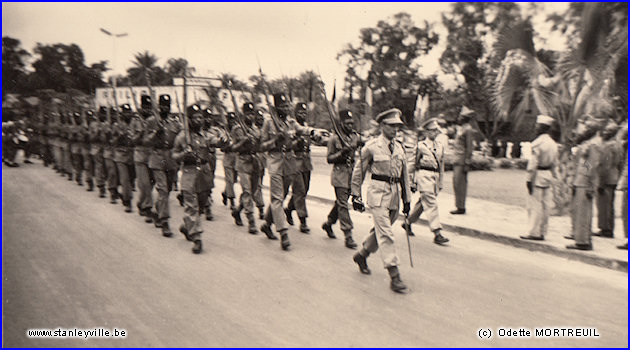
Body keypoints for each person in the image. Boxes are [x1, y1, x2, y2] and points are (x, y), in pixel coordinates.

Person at [350, 108, 411, 293]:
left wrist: (407, 198)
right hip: (377, 195)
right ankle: (394, 275)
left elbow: (404, 176)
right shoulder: (371, 146)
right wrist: (356, 195)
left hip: (393, 196)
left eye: (397, 127)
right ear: (382, 125)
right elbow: (358, 171)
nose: (395, 130)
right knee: (386, 234)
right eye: (392, 126)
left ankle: (362, 254)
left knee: (382, 230)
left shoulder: (399, 147)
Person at [259, 93, 326, 250]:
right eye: (283, 106)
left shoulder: (290, 121)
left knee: (280, 197)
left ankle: (267, 224)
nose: (287, 108)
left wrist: (313, 132)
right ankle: (283, 233)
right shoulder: (268, 122)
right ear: (276, 108)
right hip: (275, 161)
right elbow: (261, 146)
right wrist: (275, 140)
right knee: (276, 198)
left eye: (288, 105)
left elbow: (301, 129)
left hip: (289, 162)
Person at [173, 107, 214, 254]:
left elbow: (215, 142)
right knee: (191, 206)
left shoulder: (205, 135)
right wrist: (184, 153)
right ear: (189, 120)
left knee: (202, 204)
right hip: (189, 172)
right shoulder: (182, 137)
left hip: (204, 173)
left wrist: (222, 140)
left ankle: (187, 225)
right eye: (195, 118)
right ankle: (197, 238)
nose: (199, 120)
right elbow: (174, 155)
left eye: (200, 118)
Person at [403, 117, 449, 245]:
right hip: (423, 176)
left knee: (423, 204)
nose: (435, 133)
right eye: (433, 131)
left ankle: (407, 223)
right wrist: (409, 180)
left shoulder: (440, 146)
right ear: (427, 132)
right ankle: (437, 232)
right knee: (431, 204)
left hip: (434, 178)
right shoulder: (421, 146)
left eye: (436, 131)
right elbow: (412, 163)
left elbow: (441, 166)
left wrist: (440, 182)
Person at [321, 109, 362, 249]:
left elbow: (364, 144)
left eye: (352, 123)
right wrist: (341, 154)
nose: (350, 126)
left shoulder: (355, 137)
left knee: (340, 203)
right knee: (343, 204)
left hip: (352, 174)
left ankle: (329, 223)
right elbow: (329, 158)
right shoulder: (334, 139)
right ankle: (348, 234)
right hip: (339, 175)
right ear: (342, 123)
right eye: (347, 123)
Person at [146, 94, 182, 237]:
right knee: (162, 189)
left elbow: (181, 138)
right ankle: (164, 221)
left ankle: (158, 211)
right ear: (158, 107)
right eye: (162, 106)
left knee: (166, 191)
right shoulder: (151, 121)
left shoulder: (175, 123)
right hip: (157, 157)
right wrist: (156, 133)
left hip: (171, 159)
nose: (165, 108)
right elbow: (146, 141)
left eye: (167, 106)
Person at [566, 115, 602, 250]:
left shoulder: (593, 145)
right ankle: (581, 239)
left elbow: (591, 165)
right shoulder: (587, 143)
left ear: (593, 129)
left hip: (585, 182)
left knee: (583, 213)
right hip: (580, 180)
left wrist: (590, 185)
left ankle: (583, 242)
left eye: (587, 127)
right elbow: (585, 163)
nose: (584, 130)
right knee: (578, 211)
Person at [520, 115, 559, 241]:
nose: (535, 128)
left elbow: (533, 164)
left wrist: (529, 179)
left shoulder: (538, 143)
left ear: (543, 128)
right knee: (545, 206)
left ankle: (533, 232)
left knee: (535, 205)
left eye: (538, 126)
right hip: (547, 175)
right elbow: (555, 163)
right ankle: (542, 231)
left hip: (538, 176)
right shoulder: (553, 143)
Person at [231, 102, 263, 234]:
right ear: (243, 114)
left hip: (255, 162)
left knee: (253, 191)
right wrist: (244, 141)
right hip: (243, 162)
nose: (250, 117)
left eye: (252, 114)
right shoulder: (237, 129)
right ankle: (251, 221)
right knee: (247, 191)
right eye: (248, 114)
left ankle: (238, 210)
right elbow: (233, 147)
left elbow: (260, 145)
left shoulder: (256, 129)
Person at [284, 102, 314, 233]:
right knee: (300, 191)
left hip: (306, 163)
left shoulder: (306, 127)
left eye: (304, 113)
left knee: (304, 190)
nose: (303, 115)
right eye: (300, 113)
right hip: (294, 162)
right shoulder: (291, 125)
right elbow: (288, 145)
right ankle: (303, 221)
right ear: (295, 114)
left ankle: (289, 209)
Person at [594, 120, 623, 238]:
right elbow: (620, 164)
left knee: (604, 205)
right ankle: (608, 228)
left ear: (613, 133)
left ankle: (605, 229)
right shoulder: (618, 144)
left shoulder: (608, 146)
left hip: (605, 179)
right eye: (605, 130)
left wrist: (601, 182)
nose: (605, 133)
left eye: (608, 131)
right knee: (609, 205)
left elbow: (604, 166)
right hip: (614, 177)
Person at [132, 96, 155, 223]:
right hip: (140, 156)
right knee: (145, 184)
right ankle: (147, 208)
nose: (147, 110)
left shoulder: (153, 120)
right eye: (145, 107)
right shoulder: (136, 121)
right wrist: (140, 133)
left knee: (150, 184)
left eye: (149, 107)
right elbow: (132, 140)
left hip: (152, 156)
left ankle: (141, 202)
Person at [450, 106, 475, 215]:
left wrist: (467, 162)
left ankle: (461, 207)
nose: (459, 118)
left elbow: (469, 147)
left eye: (461, 116)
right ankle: (458, 205)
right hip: (457, 159)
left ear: (465, 118)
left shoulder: (468, 129)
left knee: (460, 184)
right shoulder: (461, 128)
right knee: (456, 183)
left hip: (462, 160)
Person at [113, 104, 136, 213]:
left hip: (133, 155)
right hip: (121, 155)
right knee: (125, 179)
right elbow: (112, 141)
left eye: (129, 112)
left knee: (131, 179)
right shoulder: (117, 126)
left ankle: (125, 194)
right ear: (122, 114)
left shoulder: (135, 124)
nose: (128, 114)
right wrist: (120, 136)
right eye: (125, 112)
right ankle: (128, 202)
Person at [221, 113, 238, 210]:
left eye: (234, 120)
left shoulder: (237, 130)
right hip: (228, 158)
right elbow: (222, 147)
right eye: (231, 121)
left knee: (234, 180)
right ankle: (232, 201)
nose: (233, 122)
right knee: (230, 180)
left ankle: (225, 192)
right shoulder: (224, 131)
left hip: (236, 158)